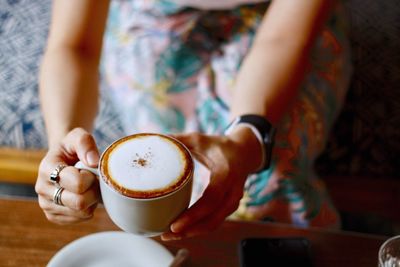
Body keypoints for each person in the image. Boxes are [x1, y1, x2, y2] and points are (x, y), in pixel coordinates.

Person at [35, 0, 352, 241]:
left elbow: (282, 39)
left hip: (283, 22)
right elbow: (75, 45)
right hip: (153, 15)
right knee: (164, 193)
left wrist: (249, 137)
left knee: (266, 181)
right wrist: (64, 148)